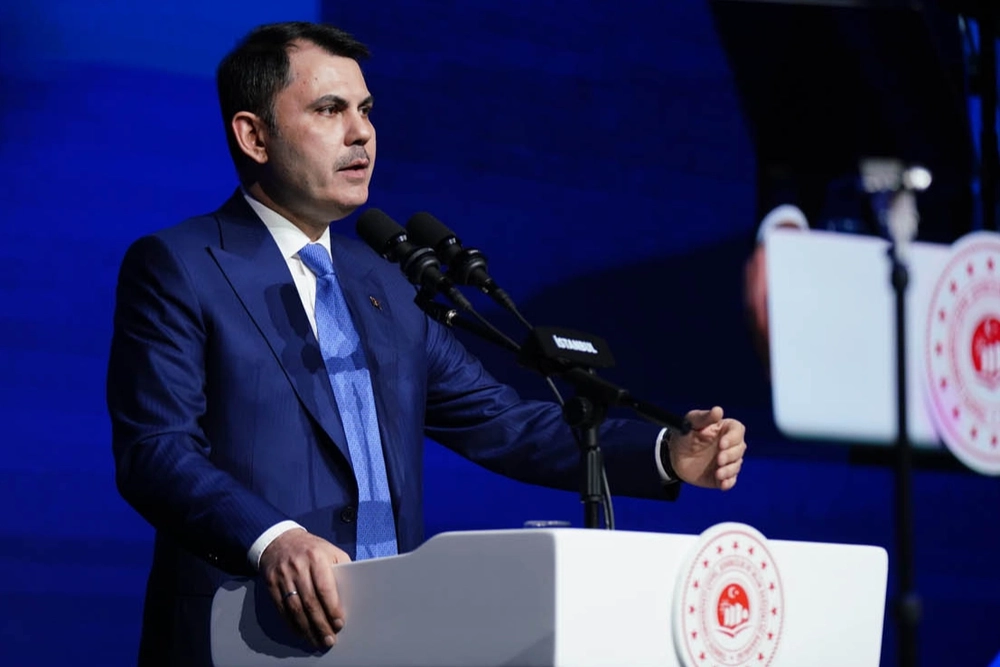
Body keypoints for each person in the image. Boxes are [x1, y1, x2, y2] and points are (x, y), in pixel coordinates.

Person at [106, 21, 748, 667]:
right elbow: (156, 451)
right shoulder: (182, 265)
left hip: (385, 635)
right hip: (244, 632)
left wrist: (667, 452)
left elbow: (501, 422)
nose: (361, 133)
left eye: (365, 110)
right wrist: (272, 539)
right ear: (254, 136)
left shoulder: (383, 280)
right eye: (329, 110)